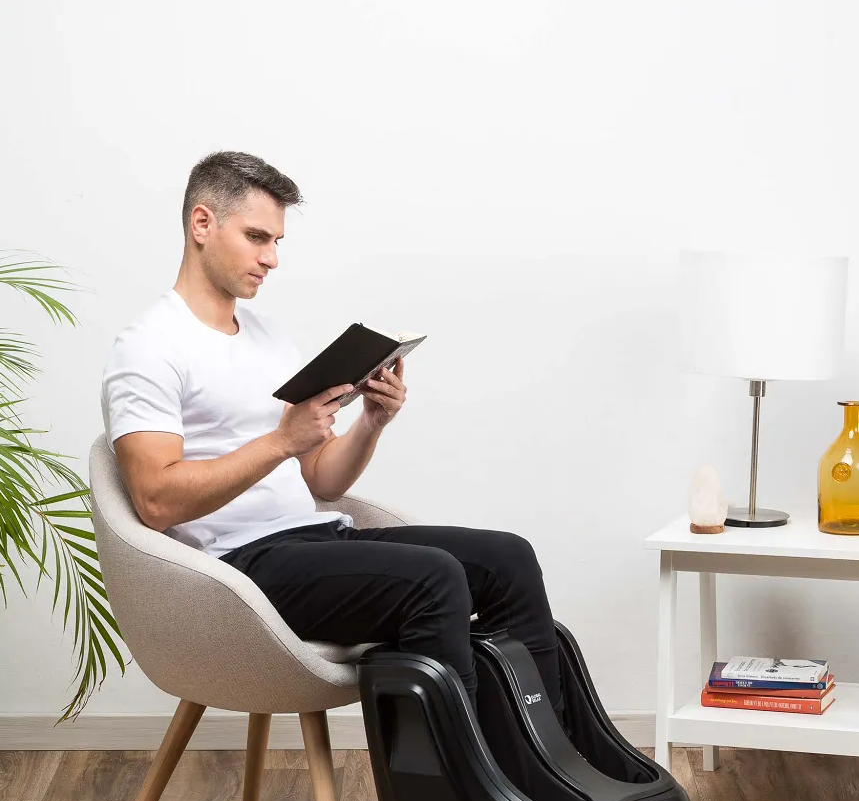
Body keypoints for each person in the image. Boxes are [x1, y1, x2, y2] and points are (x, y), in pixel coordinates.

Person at [101, 150, 564, 722]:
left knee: (508, 559)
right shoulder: (148, 346)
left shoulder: (269, 336)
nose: (271, 258)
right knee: (436, 580)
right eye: (256, 237)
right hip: (234, 570)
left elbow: (322, 480)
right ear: (202, 224)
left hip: (313, 540)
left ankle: (544, 752)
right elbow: (155, 502)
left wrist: (370, 422)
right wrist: (279, 442)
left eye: (277, 242)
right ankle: (454, 778)